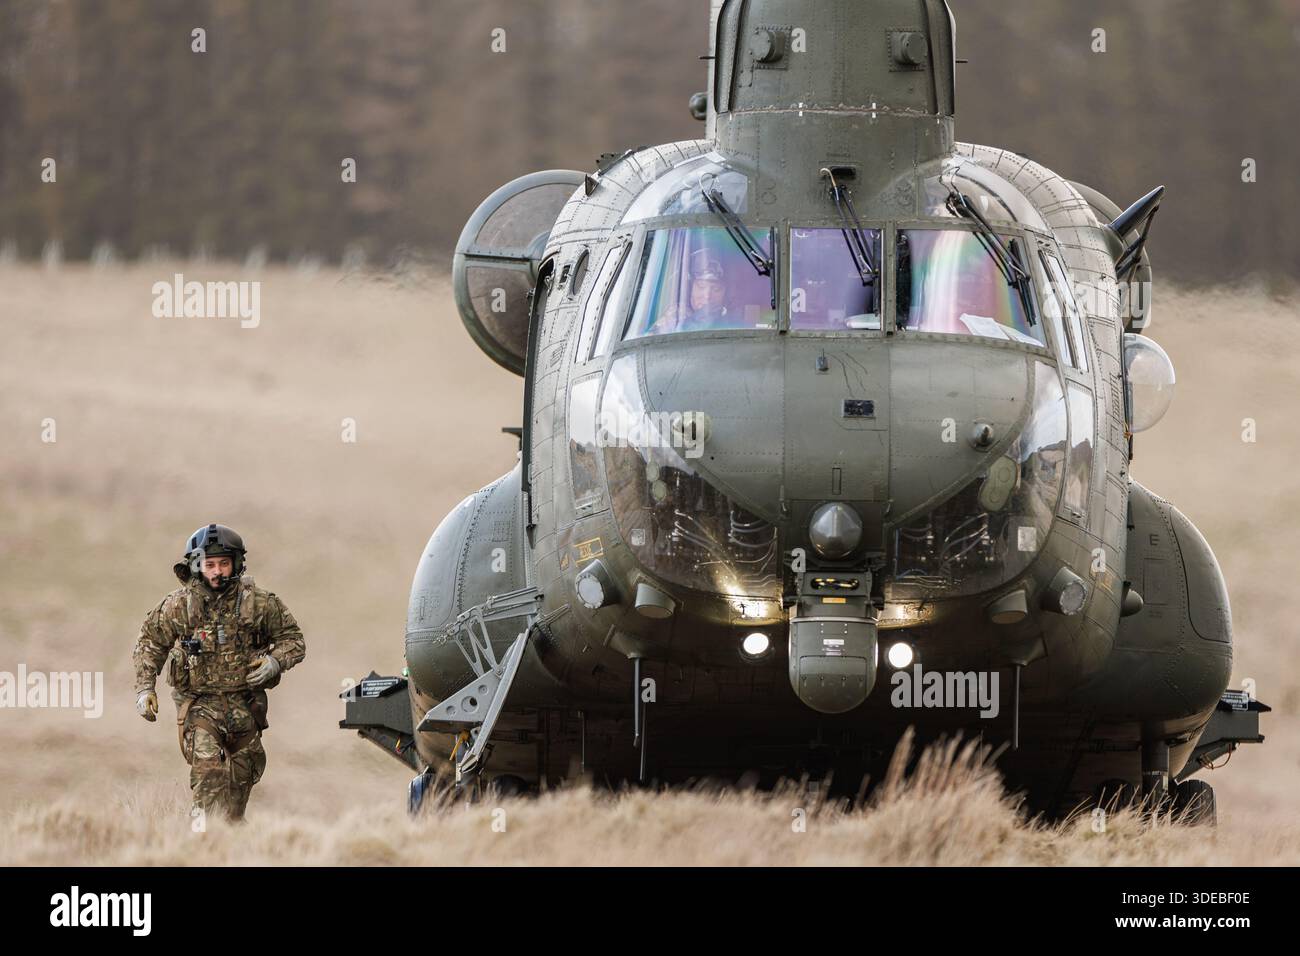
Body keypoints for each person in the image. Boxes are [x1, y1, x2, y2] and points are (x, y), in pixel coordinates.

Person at [132, 524, 305, 822]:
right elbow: (150, 643)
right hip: (199, 705)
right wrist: (145, 689)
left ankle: (231, 840)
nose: (217, 572)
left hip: (245, 707)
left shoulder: (259, 604)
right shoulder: (179, 606)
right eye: (209, 565)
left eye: (224, 564)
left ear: (236, 563)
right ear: (197, 566)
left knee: (241, 782)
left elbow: (294, 640)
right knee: (208, 773)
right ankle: (199, 839)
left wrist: (274, 662)